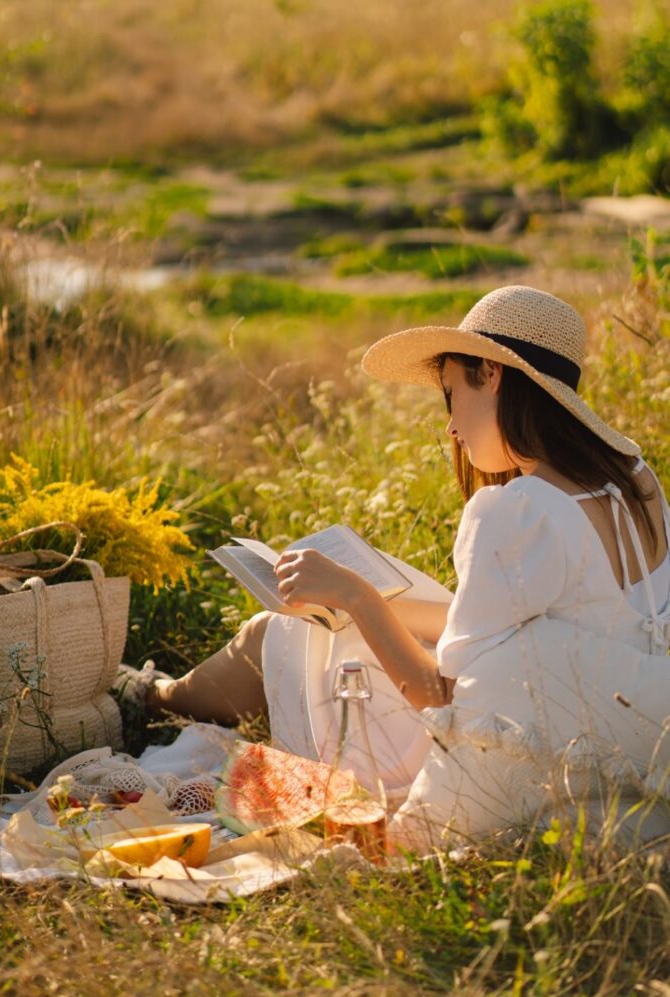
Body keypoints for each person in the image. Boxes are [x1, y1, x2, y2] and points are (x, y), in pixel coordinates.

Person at [148, 285, 670, 848]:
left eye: (451, 395)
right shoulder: (635, 482)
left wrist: (357, 598)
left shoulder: (517, 511)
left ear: (491, 376)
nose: (450, 426)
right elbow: (556, 632)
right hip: (612, 740)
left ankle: (151, 697)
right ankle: (157, 691)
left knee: (281, 630)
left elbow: (447, 703)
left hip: (510, 760)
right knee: (365, 606)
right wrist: (364, 600)